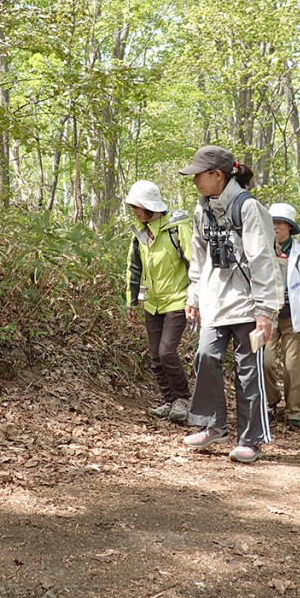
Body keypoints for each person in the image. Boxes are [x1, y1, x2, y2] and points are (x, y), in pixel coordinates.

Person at [178, 145, 283, 464]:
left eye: (199, 174)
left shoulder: (249, 208)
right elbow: (197, 258)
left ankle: (251, 439)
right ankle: (214, 424)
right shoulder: (201, 210)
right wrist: (193, 295)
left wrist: (265, 311)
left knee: (249, 371)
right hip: (215, 302)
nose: (194, 180)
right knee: (205, 356)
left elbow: (263, 260)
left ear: (218, 175)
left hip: (249, 304)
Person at [124, 180, 194, 423]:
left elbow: (194, 263)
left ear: (149, 207)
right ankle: (169, 401)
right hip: (152, 302)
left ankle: (183, 399)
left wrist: (195, 299)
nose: (133, 210)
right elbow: (134, 267)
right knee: (155, 356)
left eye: (136, 206)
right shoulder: (140, 233)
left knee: (167, 352)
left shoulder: (177, 229)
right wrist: (132, 301)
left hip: (177, 299)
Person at [263, 202, 300, 429]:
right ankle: (272, 399)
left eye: (280, 223)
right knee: (264, 361)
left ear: (289, 227)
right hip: (267, 315)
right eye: (272, 222)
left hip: (294, 317)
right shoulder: (262, 250)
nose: (276, 227)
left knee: (293, 366)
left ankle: (294, 411)